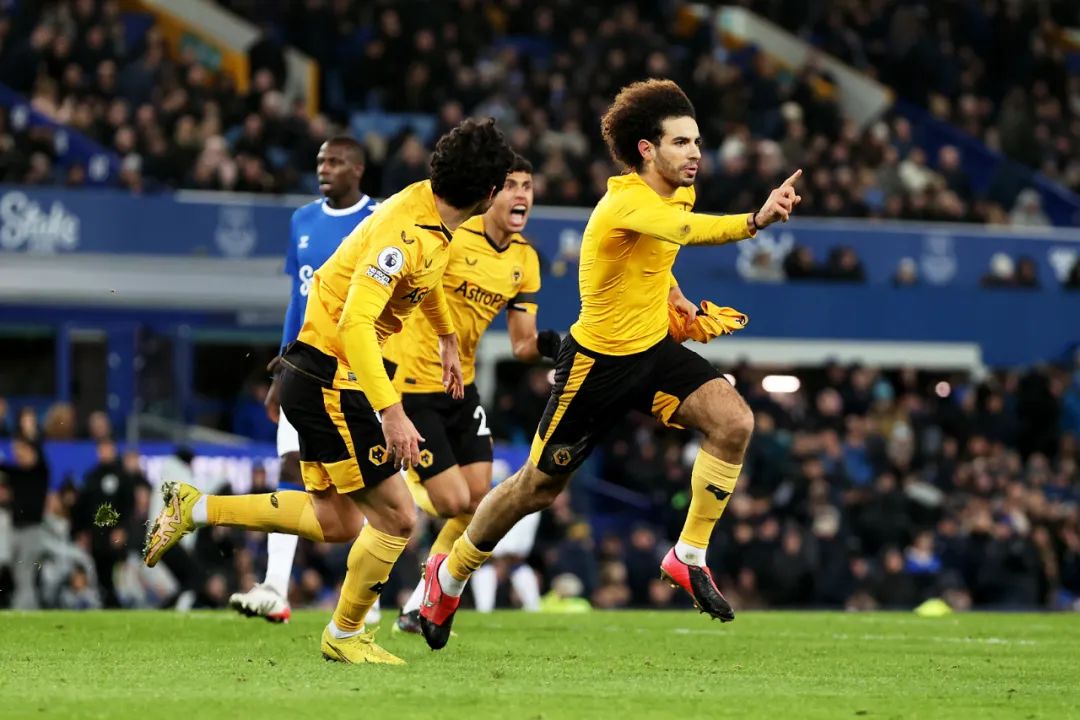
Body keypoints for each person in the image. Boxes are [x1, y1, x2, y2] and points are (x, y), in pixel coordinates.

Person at [418, 79, 802, 650]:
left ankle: (688, 553)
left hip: (651, 351)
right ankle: (448, 576)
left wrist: (674, 296)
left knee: (734, 421)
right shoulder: (625, 201)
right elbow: (682, 232)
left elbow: (656, 253)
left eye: (697, 141)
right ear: (647, 149)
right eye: (681, 142)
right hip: (595, 367)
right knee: (534, 489)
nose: (695, 153)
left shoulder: (679, 190)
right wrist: (755, 220)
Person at [143, 117, 514, 666]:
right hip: (332, 378)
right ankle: (344, 634)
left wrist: (445, 338)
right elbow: (356, 324)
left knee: (337, 522)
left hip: (320, 375)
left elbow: (428, 279)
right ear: (488, 192)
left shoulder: (428, 210)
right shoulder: (405, 234)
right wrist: (391, 411)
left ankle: (195, 508)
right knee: (398, 518)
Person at [386, 155, 560, 633]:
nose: (521, 194)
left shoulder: (525, 260)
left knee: (479, 502)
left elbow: (522, 344)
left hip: (461, 385)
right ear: (491, 194)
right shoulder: (456, 235)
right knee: (452, 502)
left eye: (528, 186)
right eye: (511, 185)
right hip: (413, 384)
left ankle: (419, 604)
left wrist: (556, 345)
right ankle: (396, 482)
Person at [228, 136, 378, 624]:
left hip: (355, 373)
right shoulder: (302, 220)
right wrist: (281, 368)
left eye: (335, 161)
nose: (324, 168)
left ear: (358, 169)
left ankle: (366, 597)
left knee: (363, 485)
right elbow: (299, 298)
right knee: (291, 468)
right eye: (320, 161)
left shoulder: (379, 220)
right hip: (304, 368)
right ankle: (275, 586)